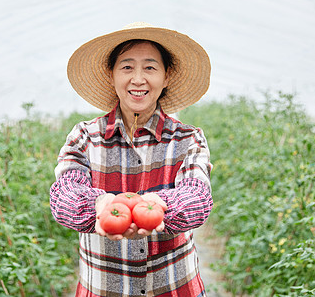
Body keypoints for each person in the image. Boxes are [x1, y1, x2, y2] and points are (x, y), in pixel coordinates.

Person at [50, 22, 213, 296]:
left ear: (167, 76)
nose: (138, 79)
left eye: (150, 67)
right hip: (102, 288)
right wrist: (98, 205)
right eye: (127, 67)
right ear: (110, 74)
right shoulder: (85, 137)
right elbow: (64, 195)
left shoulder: (188, 138)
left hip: (175, 288)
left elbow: (198, 197)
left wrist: (160, 208)